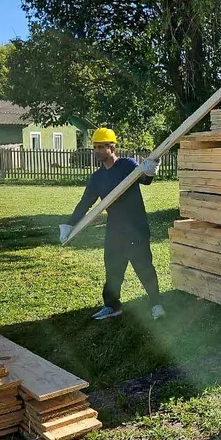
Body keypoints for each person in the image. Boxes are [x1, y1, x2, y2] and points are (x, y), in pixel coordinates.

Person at [58, 127, 164, 321]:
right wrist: (69, 224)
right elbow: (85, 202)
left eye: (101, 147)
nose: (97, 151)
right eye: (95, 147)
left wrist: (151, 168)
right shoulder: (97, 177)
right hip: (115, 230)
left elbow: (145, 179)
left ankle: (157, 304)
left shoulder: (126, 165)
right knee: (113, 269)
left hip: (136, 228)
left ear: (112, 147)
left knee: (144, 267)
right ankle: (112, 306)